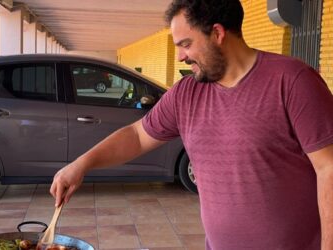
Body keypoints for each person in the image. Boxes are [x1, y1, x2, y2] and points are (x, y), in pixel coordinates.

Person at [50, 0, 333, 249]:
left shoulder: (293, 81)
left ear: (218, 33)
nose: (181, 56)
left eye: (186, 44)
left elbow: (329, 168)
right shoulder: (186, 93)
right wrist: (81, 164)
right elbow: (137, 136)